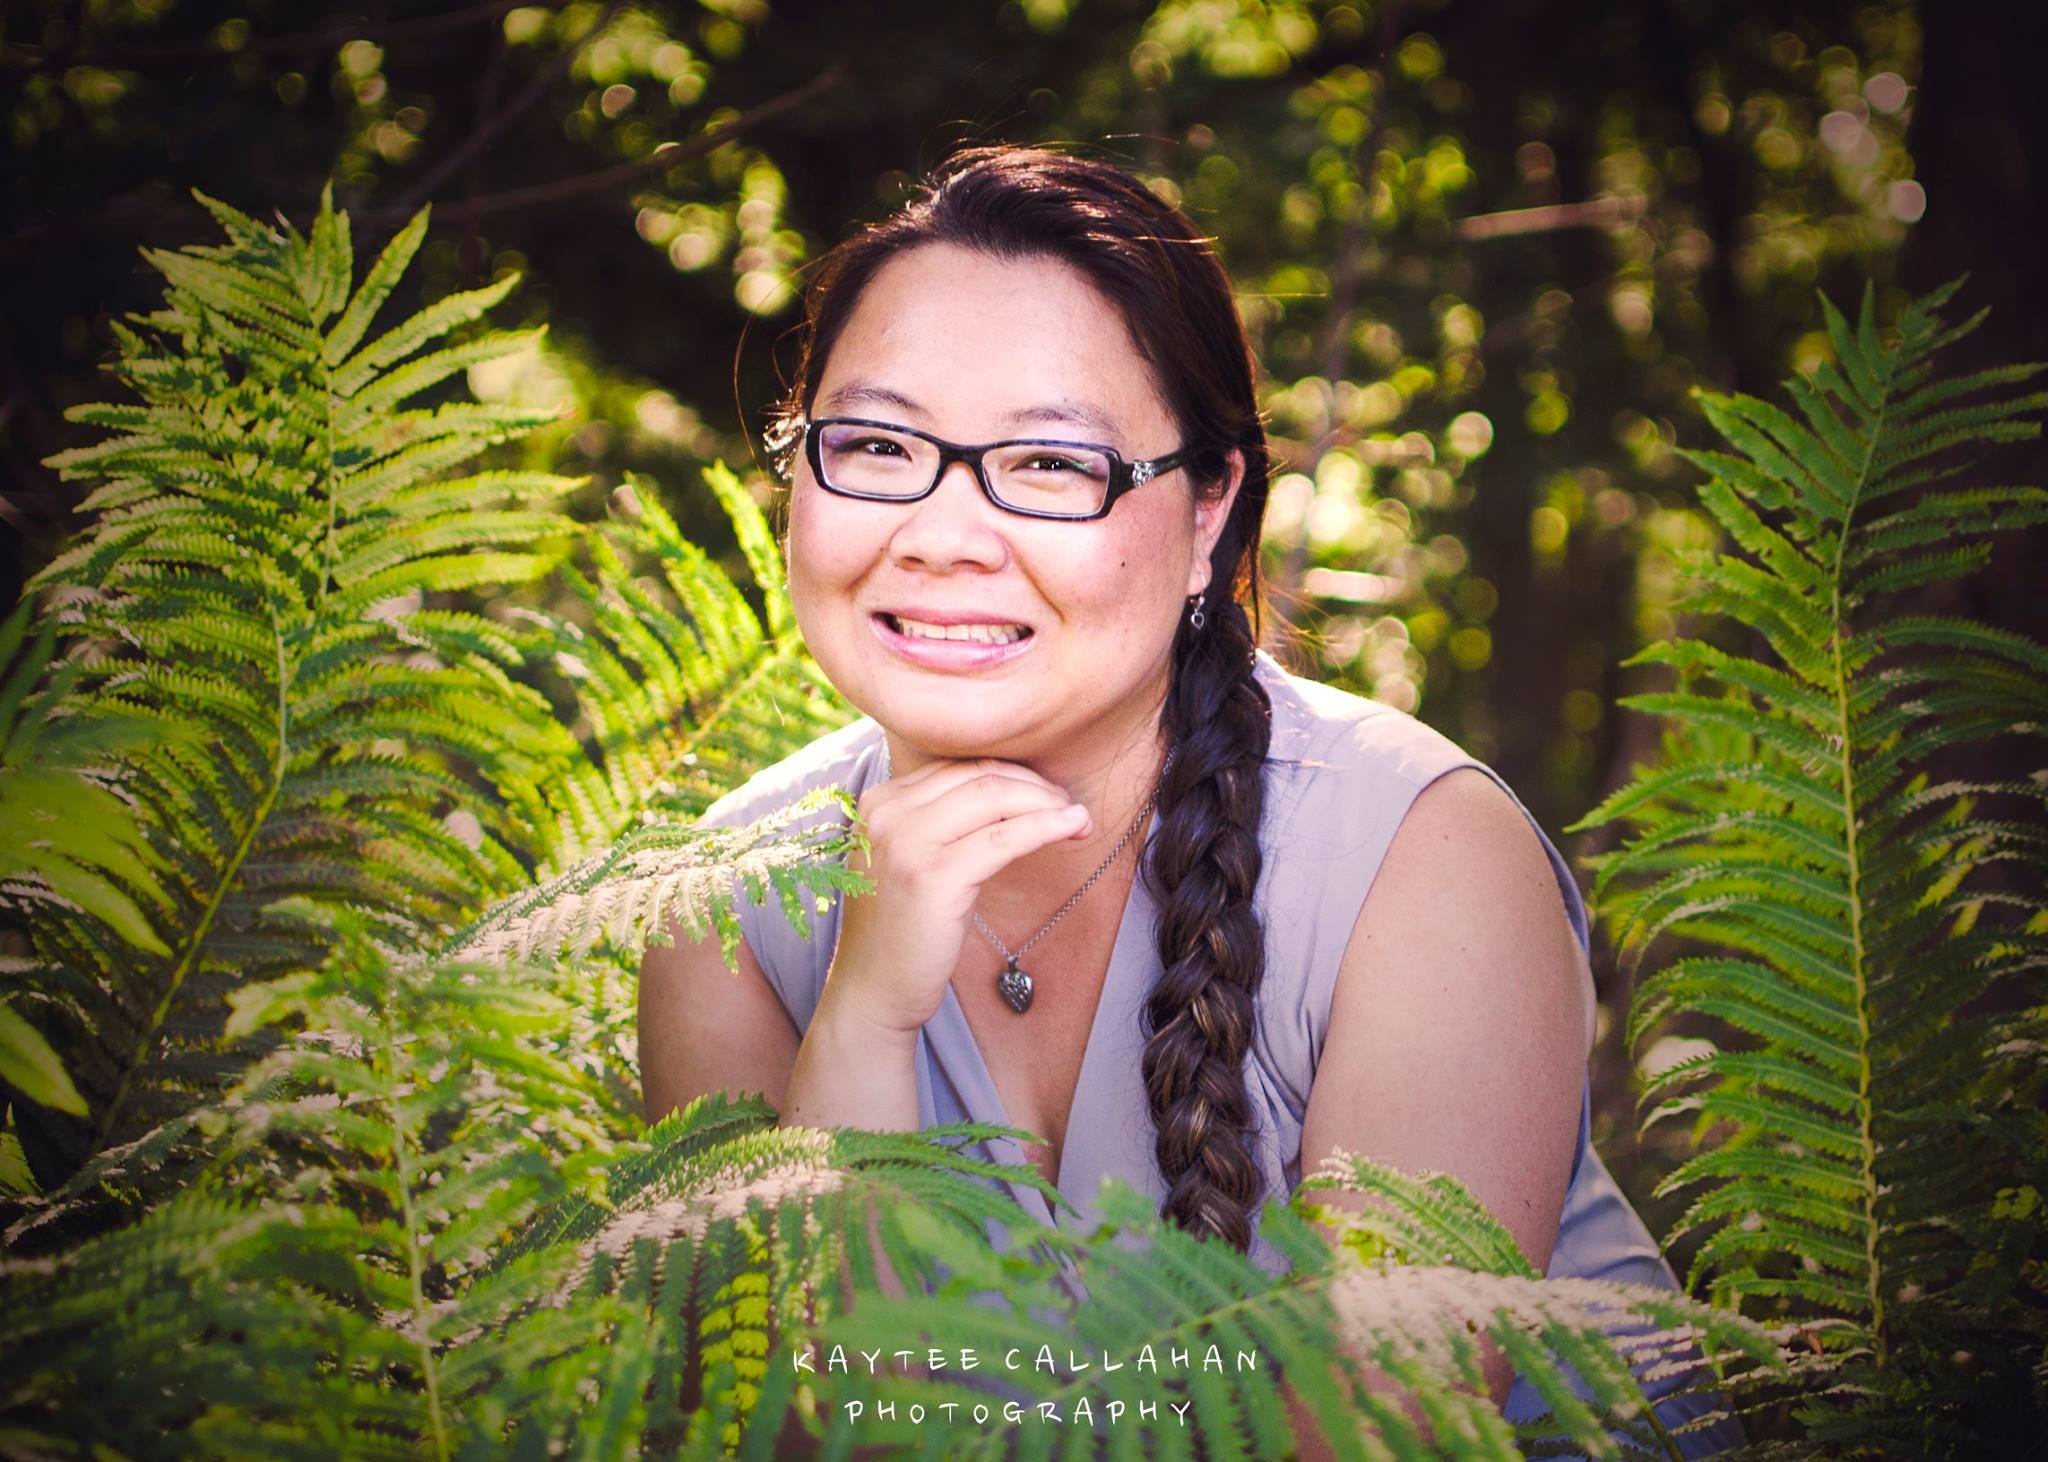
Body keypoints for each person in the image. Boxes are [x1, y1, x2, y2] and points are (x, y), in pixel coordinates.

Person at [637, 144, 1741, 1455]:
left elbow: (1373, 1438)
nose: (938, 531)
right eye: (877, 444)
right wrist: (865, 1024)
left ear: (1210, 506)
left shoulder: (1425, 857)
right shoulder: (727, 907)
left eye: (1050, 463)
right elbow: (794, 1435)